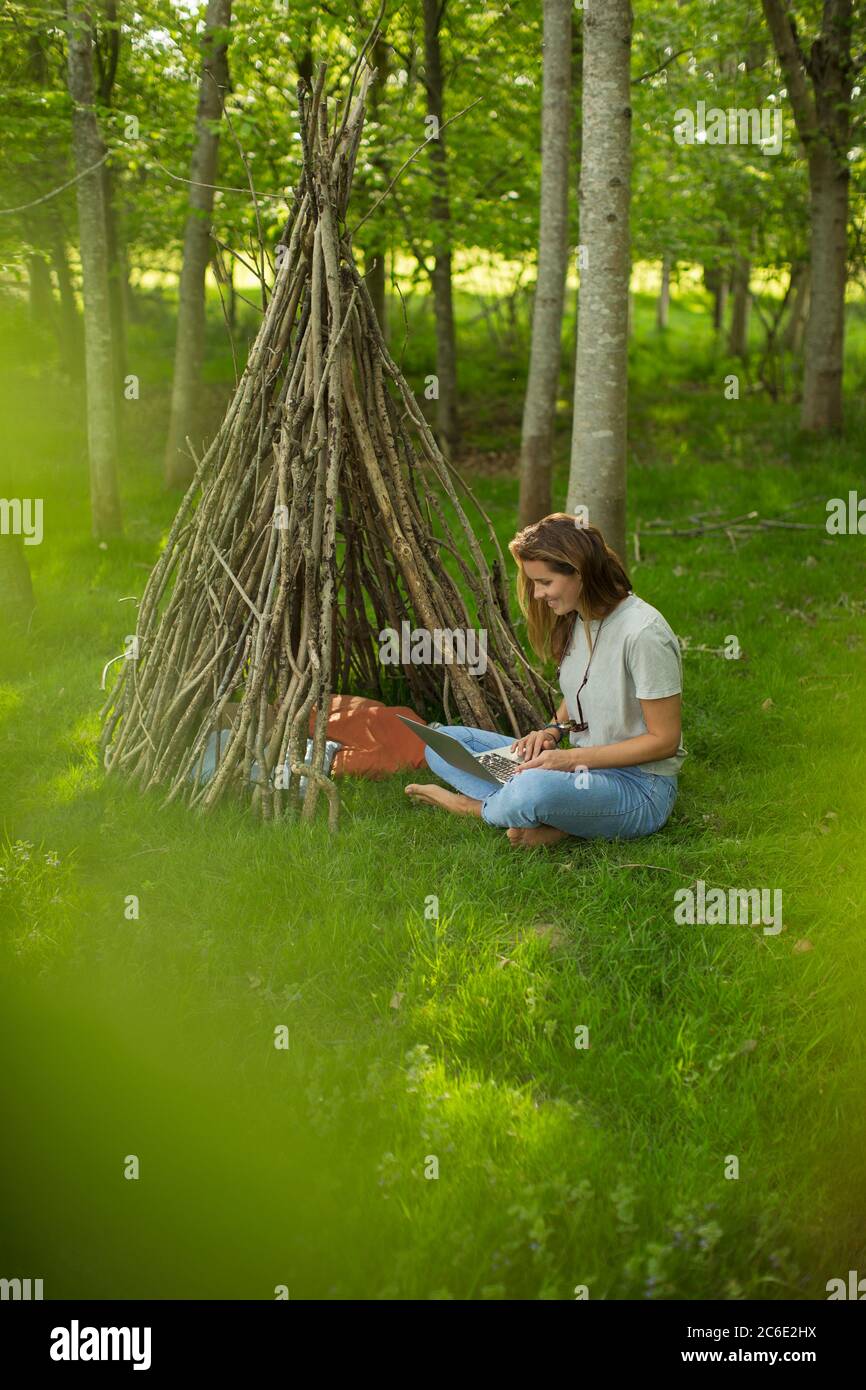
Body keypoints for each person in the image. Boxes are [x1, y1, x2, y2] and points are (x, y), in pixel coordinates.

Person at [405, 514, 686, 848]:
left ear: (579, 572)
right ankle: (560, 818)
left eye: (545, 582)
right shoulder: (579, 618)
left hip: (641, 786)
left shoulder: (643, 634)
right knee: (442, 744)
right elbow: (585, 689)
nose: (537, 594)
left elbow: (664, 741)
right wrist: (552, 730)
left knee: (532, 788)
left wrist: (568, 760)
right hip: (584, 772)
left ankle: (476, 807)